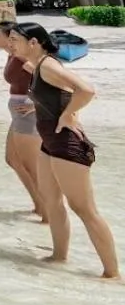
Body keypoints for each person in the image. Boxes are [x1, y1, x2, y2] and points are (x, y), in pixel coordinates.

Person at [8, 21, 119, 279]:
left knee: (84, 209)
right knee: (52, 201)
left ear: (33, 42)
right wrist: (45, 109)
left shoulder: (47, 65)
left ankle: (112, 274)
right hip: (50, 142)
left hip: (67, 144)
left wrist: (68, 116)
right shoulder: (38, 66)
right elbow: (62, 94)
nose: (11, 44)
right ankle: (59, 257)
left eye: (15, 39)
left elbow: (86, 90)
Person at [0, 20, 42, 221]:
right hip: (19, 111)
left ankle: (49, 211)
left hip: (27, 112)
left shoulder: (22, 57)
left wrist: (36, 104)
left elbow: (47, 77)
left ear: (9, 37)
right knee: (13, 160)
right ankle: (40, 205)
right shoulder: (13, 55)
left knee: (32, 166)